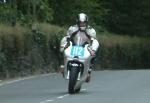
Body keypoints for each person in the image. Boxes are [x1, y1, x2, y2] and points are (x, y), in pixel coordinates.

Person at [60, 13, 99, 82]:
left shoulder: (91, 30)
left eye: (84, 23)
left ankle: (89, 71)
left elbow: (94, 41)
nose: (82, 24)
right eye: (81, 23)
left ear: (86, 22)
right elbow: (67, 38)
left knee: (94, 55)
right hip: (73, 46)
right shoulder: (72, 28)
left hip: (86, 48)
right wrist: (63, 46)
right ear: (77, 22)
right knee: (62, 51)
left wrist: (93, 49)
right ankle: (63, 66)